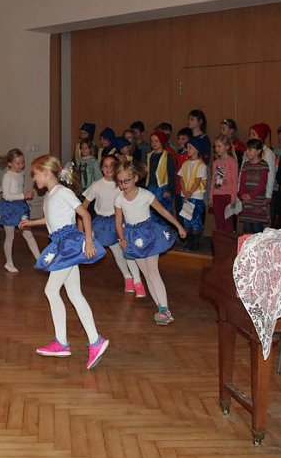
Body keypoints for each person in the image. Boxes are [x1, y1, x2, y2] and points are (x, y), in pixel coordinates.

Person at [19, 155, 109, 370]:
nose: (33, 178)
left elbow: (85, 215)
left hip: (68, 244)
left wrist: (88, 241)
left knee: (51, 290)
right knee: (74, 294)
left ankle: (68, 341)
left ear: (47, 172)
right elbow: (52, 220)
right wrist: (32, 222)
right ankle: (90, 341)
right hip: (60, 243)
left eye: (35, 174)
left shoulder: (63, 192)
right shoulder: (52, 195)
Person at [114, 161, 187, 325]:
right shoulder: (119, 199)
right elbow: (118, 222)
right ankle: (162, 309)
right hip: (133, 238)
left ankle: (165, 309)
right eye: (120, 181)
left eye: (126, 180)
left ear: (136, 178)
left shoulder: (146, 195)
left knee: (153, 271)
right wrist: (122, 238)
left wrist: (179, 225)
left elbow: (162, 211)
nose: (123, 185)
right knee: (146, 274)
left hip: (149, 234)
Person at [82, 154, 144, 296]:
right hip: (103, 223)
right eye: (105, 165)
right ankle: (127, 278)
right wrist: (82, 225)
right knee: (117, 253)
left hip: (119, 221)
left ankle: (137, 281)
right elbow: (84, 206)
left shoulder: (121, 184)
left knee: (127, 251)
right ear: (101, 168)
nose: (108, 168)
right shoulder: (96, 185)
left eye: (112, 165)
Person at [0, 149, 41, 272]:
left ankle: (40, 259)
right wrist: (24, 196)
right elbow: (7, 196)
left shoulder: (20, 173)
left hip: (19, 207)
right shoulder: (7, 176)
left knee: (28, 234)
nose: (21, 165)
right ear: (10, 163)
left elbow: (11, 187)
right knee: (10, 236)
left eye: (22, 162)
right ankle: (9, 263)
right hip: (9, 209)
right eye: (18, 163)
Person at [177, 141, 208, 250]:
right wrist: (185, 192)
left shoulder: (201, 165)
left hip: (196, 197)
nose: (187, 149)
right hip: (186, 196)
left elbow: (198, 181)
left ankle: (195, 243)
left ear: (197, 150)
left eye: (190, 147)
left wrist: (189, 193)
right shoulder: (185, 164)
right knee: (186, 220)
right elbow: (181, 178)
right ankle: (188, 241)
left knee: (195, 220)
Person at [246, 123, 276, 222]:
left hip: (260, 195)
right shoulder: (248, 152)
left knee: (258, 221)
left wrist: (268, 195)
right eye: (250, 134)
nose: (251, 137)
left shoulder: (267, 153)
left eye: (254, 135)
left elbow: (271, 175)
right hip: (248, 192)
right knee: (249, 220)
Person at [239, 139, 270, 234]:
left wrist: (251, 195)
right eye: (246, 150)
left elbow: (262, 184)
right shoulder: (246, 165)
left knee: (257, 229)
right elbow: (242, 181)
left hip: (257, 203)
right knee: (247, 228)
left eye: (250, 150)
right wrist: (241, 195)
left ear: (259, 151)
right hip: (247, 202)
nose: (247, 152)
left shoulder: (263, 165)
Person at [210, 135, 239, 233]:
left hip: (227, 195)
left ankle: (228, 245)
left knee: (227, 222)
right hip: (217, 195)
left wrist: (233, 197)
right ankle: (220, 244)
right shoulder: (216, 162)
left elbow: (235, 181)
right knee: (219, 221)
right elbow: (214, 181)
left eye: (219, 146)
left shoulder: (232, 162)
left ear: (227, 147)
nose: (216, 149)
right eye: (215, 147)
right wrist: (211, 196)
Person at [144, 131, 175, 220]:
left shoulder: (167, 156)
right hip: (151, 186)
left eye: (156, 141)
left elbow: (171, 174)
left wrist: (169, 190)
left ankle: (166, 231)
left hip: (162, 187)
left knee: (163, 210)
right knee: (152, 210)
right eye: (152, 141)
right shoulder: (149, 155)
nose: (153, 143)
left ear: (162, 142)